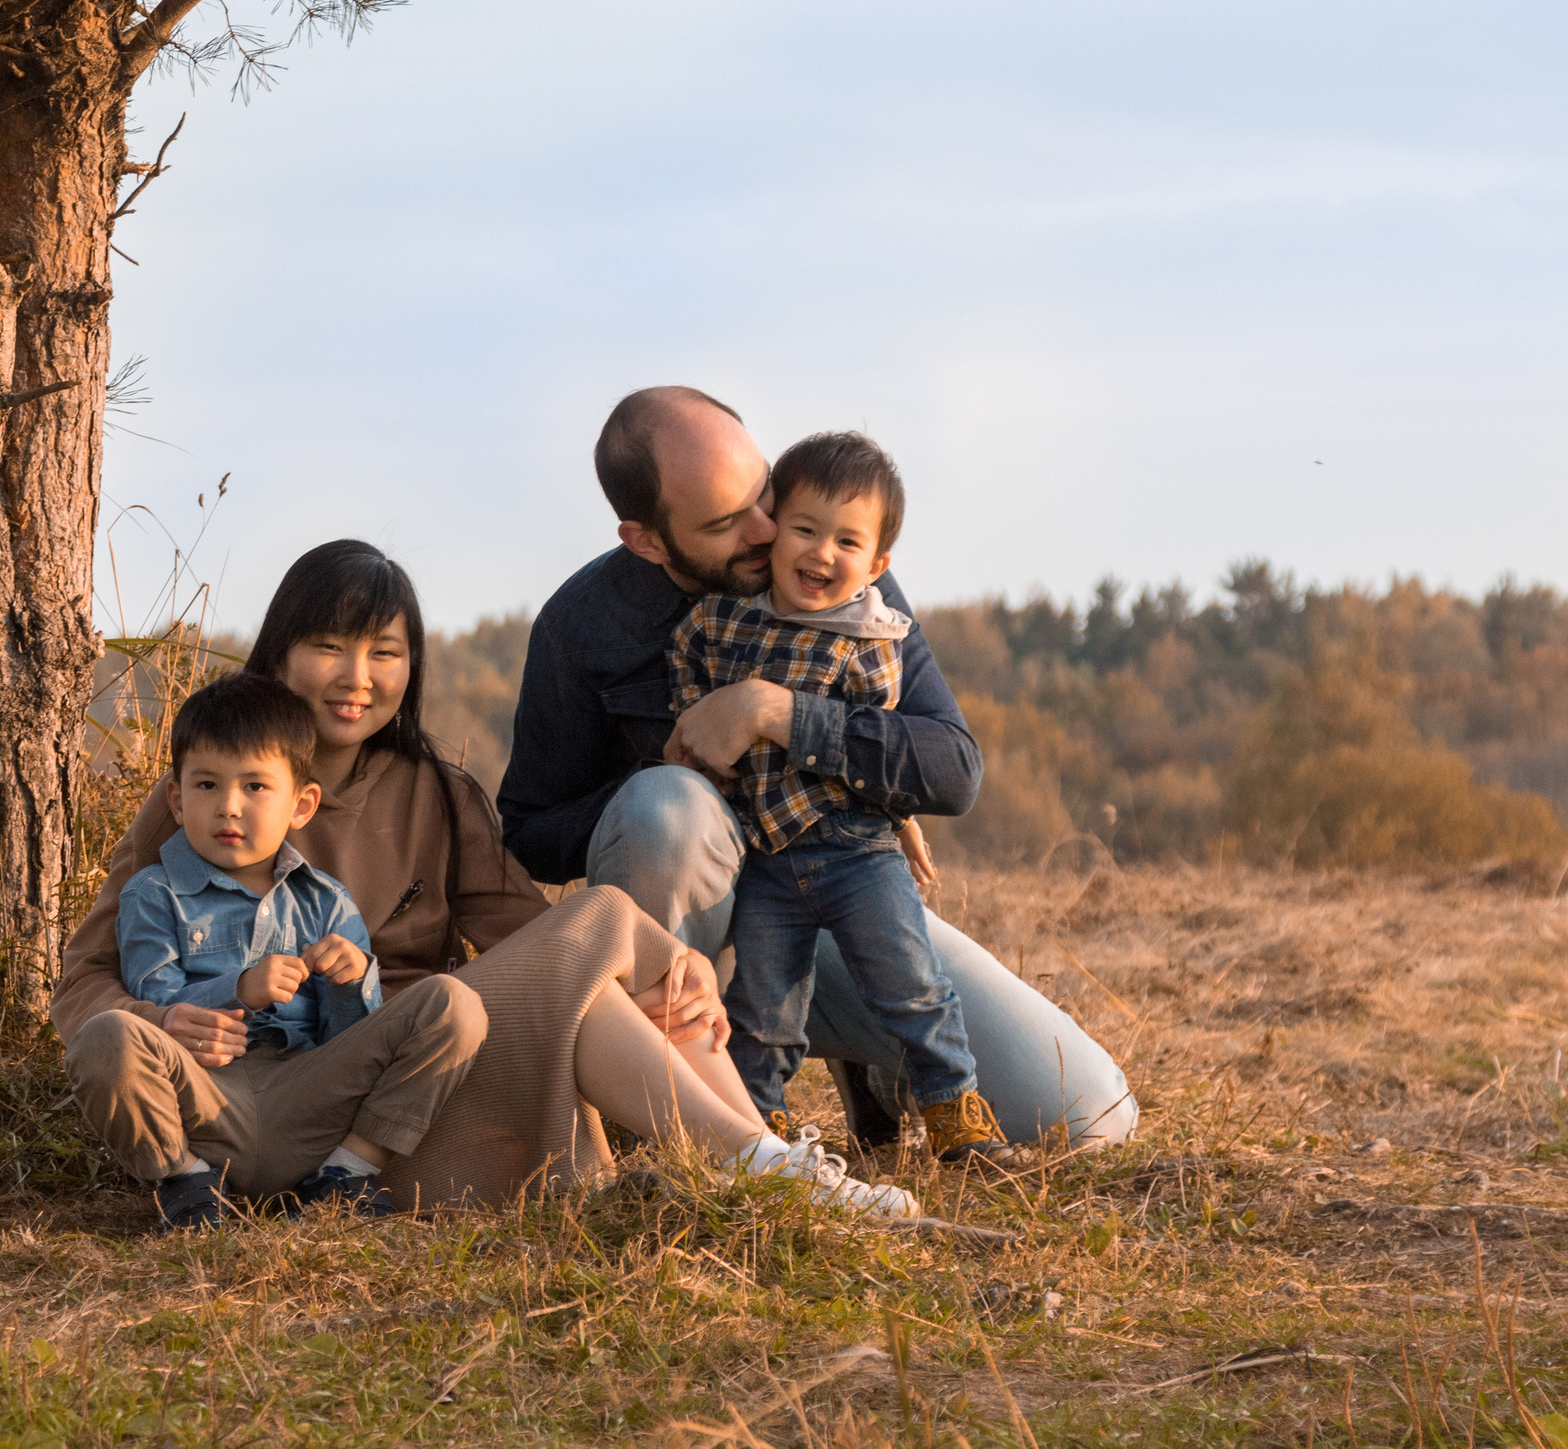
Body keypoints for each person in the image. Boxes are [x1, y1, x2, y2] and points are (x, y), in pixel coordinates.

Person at [57, 540, 917, 1219]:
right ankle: (768, 1165)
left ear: (411, 665)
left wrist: (667, 971)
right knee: (607, 923)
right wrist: (161, 1016)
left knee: (598, 949)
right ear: (278, 653)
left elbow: (530, 949)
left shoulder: (438, 792)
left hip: (423, 1083)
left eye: (384, 652)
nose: (358, 678)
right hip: (285, 1102)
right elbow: (82, 985)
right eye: (328, 646)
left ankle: (767, 1164)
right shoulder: (208, 798)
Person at [499, 387, 1138, 1148]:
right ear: (648, 541)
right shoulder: (580, 627)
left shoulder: (835, 562)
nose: (770, 531)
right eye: (725, 523)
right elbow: (532, 831)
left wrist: (774, 713)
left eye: (761, 492)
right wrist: (665, 782)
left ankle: (878, 1064)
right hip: (686, 942)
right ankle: (661, 1108)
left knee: (1088, 1113)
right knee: (667, 809)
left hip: (845, 907)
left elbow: (953, 766)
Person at [670, 430, 1021, 1165]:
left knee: (910, 983)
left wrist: (899, 812)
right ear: (770, 532)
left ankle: (955, 1112)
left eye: (846, 541)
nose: (821, 553)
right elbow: (692, 696)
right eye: (804, 529)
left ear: (877, 565)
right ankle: (755, 1126)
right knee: (763, 1008)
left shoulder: (871, 636)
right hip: (765, 859)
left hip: (856, 852)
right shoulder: (718, 622)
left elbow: (888, 745)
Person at [110, 674, 479, 1228]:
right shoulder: (153, 892)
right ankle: (185, 1183)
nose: (229, 807)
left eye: (255, 787)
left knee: (454, 1004)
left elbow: (354, 1045)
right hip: (207, 1102)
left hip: (311, 1103)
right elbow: (156, 1001)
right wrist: (239, 991)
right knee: (108, 1036)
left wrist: (351, 984)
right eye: (206, 786)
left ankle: (346, 1174)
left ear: (301, 804)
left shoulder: (326, 902)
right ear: (176, 800)